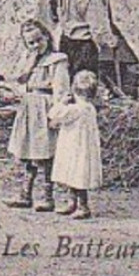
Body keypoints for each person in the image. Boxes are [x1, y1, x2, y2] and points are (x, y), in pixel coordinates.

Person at [5, 19, 71, 211]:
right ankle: (25, 193)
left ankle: (47, 196)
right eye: (31, 43)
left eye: (39, 40)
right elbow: (18, 79)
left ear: (47, 38)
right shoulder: (29, 59)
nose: (36, 45)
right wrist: (28, 65)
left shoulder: (57, 60)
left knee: (45, 153)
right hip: (29, 107)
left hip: (44, 107)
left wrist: (57, 112)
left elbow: (61, 87)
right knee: (26, 151)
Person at [48, 70, 105, 220]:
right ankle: (72, 203)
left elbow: (54, 115)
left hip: (74, 146)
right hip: (81, 147)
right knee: (73, 174)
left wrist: (61, 102)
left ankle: (82, 206)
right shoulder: (89, 108)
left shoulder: (75, 109)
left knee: (76, 175)